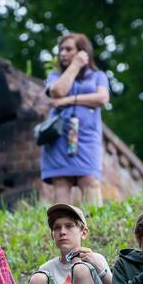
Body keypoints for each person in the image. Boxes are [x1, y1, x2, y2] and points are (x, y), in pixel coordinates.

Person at [41, 33, 110, 206]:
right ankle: (61, 227)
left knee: (90, 182)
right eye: (61, 50)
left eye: (69, 49)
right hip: (58, 137)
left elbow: (102, 98)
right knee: (61, 183)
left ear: (82, 51)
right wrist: (75, 65)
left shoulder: (98, 76)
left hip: (87, 137)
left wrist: (70, 100)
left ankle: (95, 228)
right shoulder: (55, 77)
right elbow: (57, 92)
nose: (63, 53)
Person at [28, 203, 113, 284]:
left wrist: (100, 268)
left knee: (81, 270)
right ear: (52, 235)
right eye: (57, 228)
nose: (62, 232)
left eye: (69, 226)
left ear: (84, 233)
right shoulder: (47, 269)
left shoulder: (96, 259)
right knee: (37, 279)